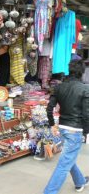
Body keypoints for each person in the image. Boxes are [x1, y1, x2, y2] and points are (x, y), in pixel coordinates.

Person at [44, 60, 89, 194]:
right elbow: (87, 114)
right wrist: (86, 132)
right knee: (64, 163)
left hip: (63, 127)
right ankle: (49, 192)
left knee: (68, 157)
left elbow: (49, 108)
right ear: (82, 72)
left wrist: (52, 124)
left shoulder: (59, 87)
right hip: (75, 129)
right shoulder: (85, 88)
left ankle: (80, 181)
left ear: (69, 70)